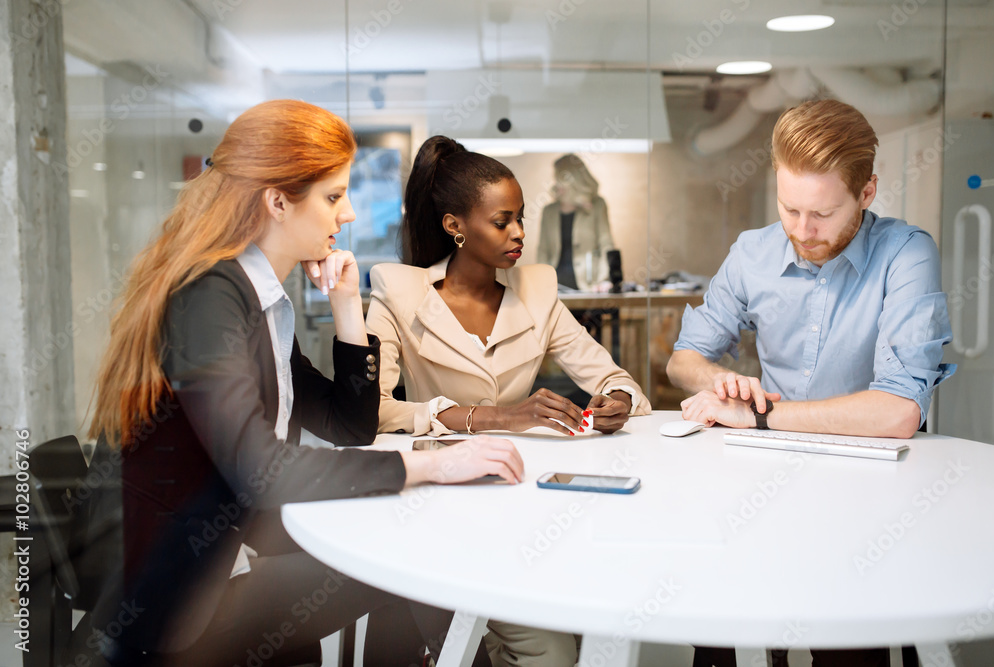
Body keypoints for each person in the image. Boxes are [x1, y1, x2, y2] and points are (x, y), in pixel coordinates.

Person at [83, 100, 522, 667]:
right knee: (404, 565)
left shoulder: (259, 296)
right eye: (334, 196)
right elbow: (261, 470)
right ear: (277, 202)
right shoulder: (212, 296)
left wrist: (345, 306)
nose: (350, 215)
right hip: (182, 600)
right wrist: (431, 464)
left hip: (233, 552)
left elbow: (349, 424)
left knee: (401, 557)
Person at [668, 99, 954, 667]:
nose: (802, 230)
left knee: (847, 645)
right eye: (789, 208)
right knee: (718, 628)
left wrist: (764, 416)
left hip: (867, 490)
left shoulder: (907, 254)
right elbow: (684, 360)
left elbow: (897, 412)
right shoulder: (752, 252)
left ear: (867, 193)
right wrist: (728, 385)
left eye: (822, 214)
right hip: (761, 480)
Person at [364, 135, 652, 666]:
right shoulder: (398, 293)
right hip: (440, 507)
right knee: (550, 651)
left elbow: (616, 378)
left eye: (521, 218)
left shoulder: (537, 290)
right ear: (455, 225)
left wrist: (616, 400)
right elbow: (371, 411)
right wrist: (490, 417)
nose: (519, 232)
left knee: (599, 622)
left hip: (529, 502)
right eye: (503, 222)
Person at [536, 154, 615, 291]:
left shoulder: (596, 205)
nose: (556, 183)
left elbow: (606, 245)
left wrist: (603, 280)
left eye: (558, 177)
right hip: (556, 285)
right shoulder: (549, 211)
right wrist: (542, 282)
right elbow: (543, 250)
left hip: (588, 285)